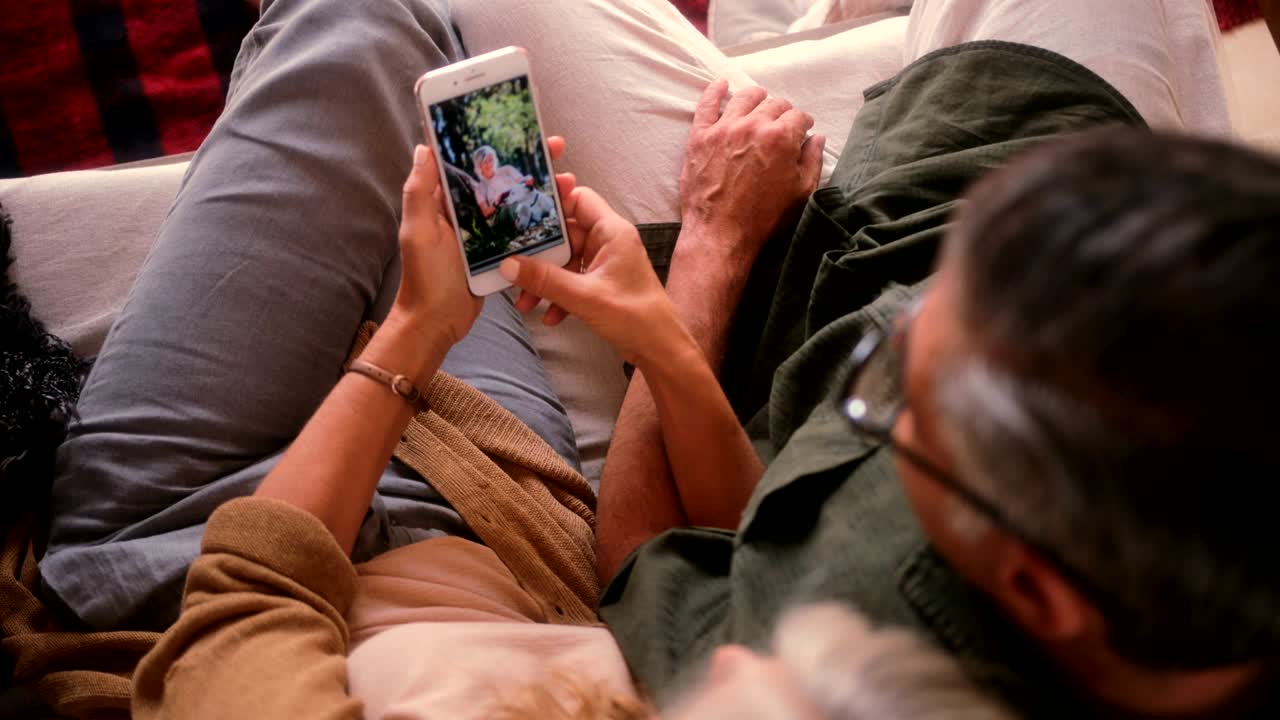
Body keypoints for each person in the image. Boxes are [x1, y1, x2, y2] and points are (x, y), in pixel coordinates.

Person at [35, 0, 1270, 716]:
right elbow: (713, 560)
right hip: (505, 517)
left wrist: (416, 336)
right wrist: (657, 325)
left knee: (370, 21)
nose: (723, 672)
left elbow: (243, 604)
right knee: (464, 162)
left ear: (1038, 595)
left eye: (891, 399)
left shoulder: (825, 662)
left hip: (179, 552)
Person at [469, 145, 556, 231]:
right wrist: (496, 202)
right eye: (485, 162)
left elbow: (523, 183)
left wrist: (528, 180)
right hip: (501, 211)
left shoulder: (507, 170)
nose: (489, 164)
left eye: (491, 160)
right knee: (510, 205)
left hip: (520, 198)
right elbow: (485, 213)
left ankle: (533, 216)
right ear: (479, 166)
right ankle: (523, 220)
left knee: (529, 194)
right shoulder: (480, 188)